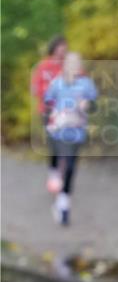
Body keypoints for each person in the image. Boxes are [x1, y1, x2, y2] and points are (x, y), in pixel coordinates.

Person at [43, 52, 98, 225]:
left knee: (71, 166)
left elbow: (94, 106)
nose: (73, 66)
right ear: (65, 65)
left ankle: (63, 200)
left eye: (77, 63)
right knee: (62, 162)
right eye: (70, 63)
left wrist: (87, 106)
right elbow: (47, 106)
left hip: (77, 133)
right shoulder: (57, 84)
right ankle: (61, 197)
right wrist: (52, 118)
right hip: (59, 132)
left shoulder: (86, 84)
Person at [31, 35, 68, 193]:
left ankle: (61, 173)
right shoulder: (43, 66)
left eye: (65, 46)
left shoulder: (70, 66)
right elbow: (35, 89)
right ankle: (54, 173)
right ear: (54, 47)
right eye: (61, 46)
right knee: (55, 143)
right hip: (49, 111)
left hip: (68, 112)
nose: (64, 49)